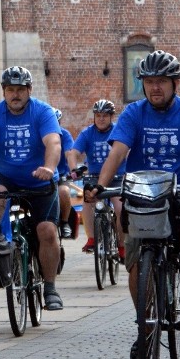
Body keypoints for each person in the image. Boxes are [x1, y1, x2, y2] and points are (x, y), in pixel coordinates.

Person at [85, 50, 180, 359]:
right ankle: (144, 328)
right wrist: (100, 185)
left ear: (175, 83)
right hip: (143, 190)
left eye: (161, 81)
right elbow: (118, 153)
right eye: (149, 82)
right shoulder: (134, 113)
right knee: (136, 263)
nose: (155, 88)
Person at [0, 66, 64, 311]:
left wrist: (49, 168)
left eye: (20, 89)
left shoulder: (42, 112)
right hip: (8, 178)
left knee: (47, 231)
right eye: (10, 90)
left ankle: (50, 288)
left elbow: (53, 142)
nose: (15, 94)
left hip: (40, 180)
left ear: (29, 90)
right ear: (4, 92)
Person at [68, 99, 125, 258]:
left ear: (111, 117)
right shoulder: (87, 133)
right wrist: (74, 169)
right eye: (98, 115)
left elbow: (126, 151)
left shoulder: (118, 131)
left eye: (105, 116)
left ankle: (121, 246)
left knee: (120, 209)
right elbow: (73, 153)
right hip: (94, 177)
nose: (101, 119)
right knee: (87, 201)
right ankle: (92, 238)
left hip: (116, 177)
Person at [55, 109, 77, 239]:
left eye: (57, 122)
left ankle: (64, 222)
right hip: (38, 176)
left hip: (60, 175)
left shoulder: (65, 134)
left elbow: (69, 152)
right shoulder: (37, 132)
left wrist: (73, 168)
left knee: (63, 192)